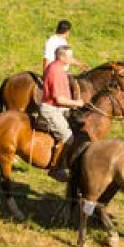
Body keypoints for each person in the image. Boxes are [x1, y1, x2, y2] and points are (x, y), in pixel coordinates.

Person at [40, 45, 84, 179]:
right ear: (62, 57)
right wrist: (77, 103)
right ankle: (56, 167)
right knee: (68, 137)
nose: (72, 59)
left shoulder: (56, 67)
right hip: (51, 109)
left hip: (59, 108)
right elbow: (58, 99)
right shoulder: (56, 71)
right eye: (70, 56)